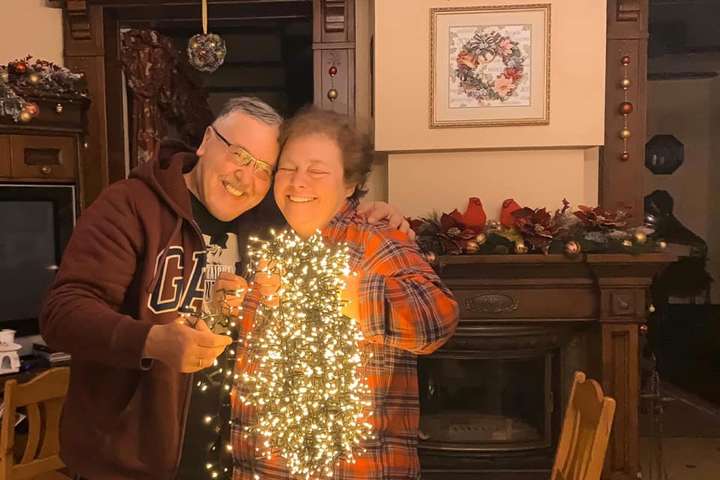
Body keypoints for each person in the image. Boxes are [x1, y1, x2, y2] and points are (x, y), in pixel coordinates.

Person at [39, 97, 413, 480]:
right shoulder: (130, 206)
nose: (245, 178)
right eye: (239, 155)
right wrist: (152, 341)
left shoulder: (268, 221)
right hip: (127, 465)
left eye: (264, 169)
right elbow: (62, 314)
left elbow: (322, 206)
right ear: (206, 141)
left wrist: (374, 215)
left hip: (230, 462)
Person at [230, 107, 459, 479]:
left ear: (349, 184)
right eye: (288, 168)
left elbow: (438, 320)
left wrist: (346, 294)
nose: (298, 182)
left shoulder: (377, 240)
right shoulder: (272, 247)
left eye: (317, 171)